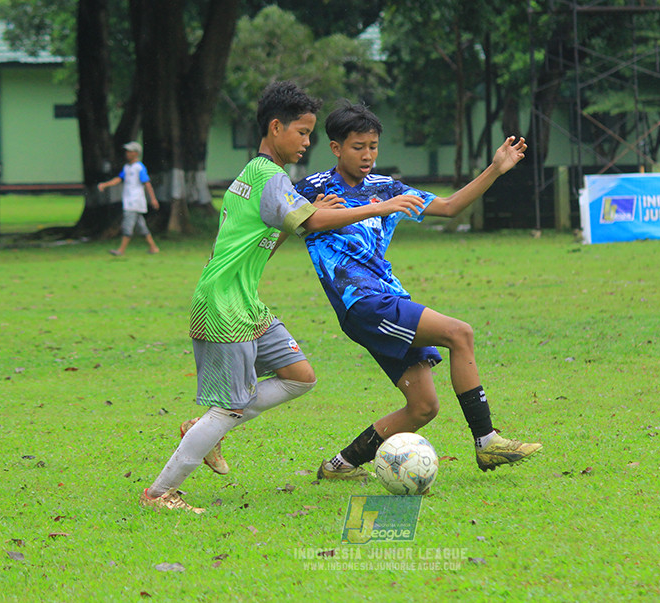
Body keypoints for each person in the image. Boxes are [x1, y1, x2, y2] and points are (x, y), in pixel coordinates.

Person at [138, 82, 425, 513]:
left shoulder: (258, 175)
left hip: (245, 301)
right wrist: (377, 207)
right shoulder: (270, 177)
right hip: (224, 305)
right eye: (303, 132)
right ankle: (160, 492)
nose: (308, 143)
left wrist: (313, 216)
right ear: (276, 128)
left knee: (300, 375)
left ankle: (204, 429)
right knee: (229, 408)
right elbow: (309, 223)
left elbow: (282, 232)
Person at [290, 101, 541, 482]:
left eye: (373, 145)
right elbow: (295, 222)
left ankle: (339, 466)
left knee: (423, 406)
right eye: (358, 146)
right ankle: (487, 441)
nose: (368, 155)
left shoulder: (386, 187)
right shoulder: (312, 189)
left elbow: (451, 206)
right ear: (336, 148)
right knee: (460, 333)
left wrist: (495, 169)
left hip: (388, 296)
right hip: (362, 303)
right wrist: (381, 208)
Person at [97, 141, 161, 256]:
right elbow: (118, 179)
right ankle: (153, 247)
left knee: (128, 225)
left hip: (135, 202)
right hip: (129, 201)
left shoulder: (139, 168)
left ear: (136, 153)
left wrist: (153, 199)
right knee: (141, 226)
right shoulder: (127, 167)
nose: (127, 153)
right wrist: (105, 184)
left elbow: (147, 183)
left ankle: (121, 250)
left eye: (130, 151)